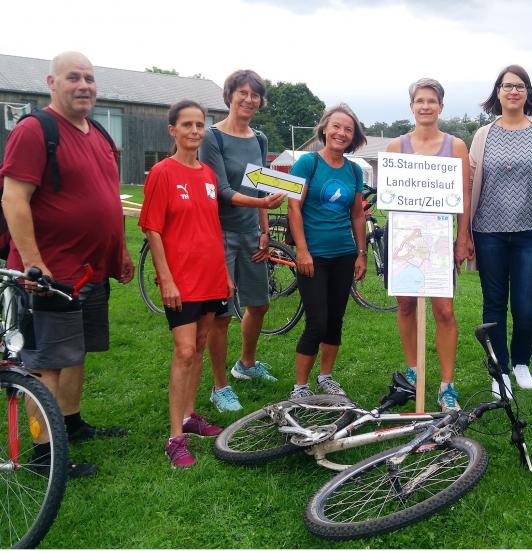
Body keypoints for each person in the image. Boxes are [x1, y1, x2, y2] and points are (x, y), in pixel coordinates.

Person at [0, 51, 134, 477]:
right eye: (73, 77)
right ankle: (44, 456)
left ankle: (70, 423)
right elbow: (14, 198)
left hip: (91, 269)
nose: (84, 85)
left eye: (90, 78)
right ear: (52, 82)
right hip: (51, 272)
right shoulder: (36, 130)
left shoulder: (96, 132)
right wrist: (35, 264)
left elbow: (105, 199)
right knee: (47, 362)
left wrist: (120, 252)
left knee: (76, 354)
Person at [139, 100, 238, 468]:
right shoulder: (162, 173)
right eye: (187, 125)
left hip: (211, 275)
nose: (194, 131)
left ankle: (190, 416)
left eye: (199, 125)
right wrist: (166, 278)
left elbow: (212, 227)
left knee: (198, 345)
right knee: (183, 351)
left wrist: (224, 274)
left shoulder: (209, 175)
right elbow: (152, 228)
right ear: (173, 130)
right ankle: (174, 437)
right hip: (181, 279)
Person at [468, 65, 532, 399]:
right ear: (497, 92)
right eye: (507, 86)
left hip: (530, 232)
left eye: (520, 86)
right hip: (488, 232)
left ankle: (521, 362)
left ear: (528, 93)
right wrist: (465, 234)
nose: (513, 91)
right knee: (493, 305)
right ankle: (499, 372)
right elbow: (469, 185)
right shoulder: (483, 135)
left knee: (525, 306)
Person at [199, 70, 286, 412]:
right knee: (220, 313)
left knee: (259, 303)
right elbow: (222, 191)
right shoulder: (212, 137)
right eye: (243, 93)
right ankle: (220, 386)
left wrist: (264, 228)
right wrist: (262, 204)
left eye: (255, 95)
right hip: (219, 233)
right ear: (230, 95)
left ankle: (245, 365)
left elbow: (260, 184)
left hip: (252, 231)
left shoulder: (260, 138)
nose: (249, 99)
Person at [386, 78, 472, 413]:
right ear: (412, 106)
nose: (425, 106)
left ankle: (446, 385)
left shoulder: (456, 146)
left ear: (440, 106)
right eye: (419, 100)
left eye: (431, 101)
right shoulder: (396, 146)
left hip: (438, 241)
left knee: (445, 311)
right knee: (406, 306)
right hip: (405, 239)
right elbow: (391, 197)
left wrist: (462, 238)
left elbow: (463, 198)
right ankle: (414, 370)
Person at [287, 103, 367, 400]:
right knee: (317, 320)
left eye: (348, 129)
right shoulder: (307, 164)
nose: (341, 133)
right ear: (324, 129)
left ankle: (326, 377)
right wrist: (303, 251)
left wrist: (361, 253)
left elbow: (357, 214)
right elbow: (293, 207)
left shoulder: (354, 170)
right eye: (336, 126)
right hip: (314, 255)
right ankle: (300, 387)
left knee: (335, 320)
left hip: (344, 254)